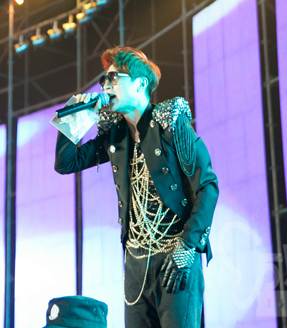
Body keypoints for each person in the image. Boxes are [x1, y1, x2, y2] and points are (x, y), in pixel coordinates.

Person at [55, 46, 219, 328]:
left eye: (113, 78)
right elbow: (66, 163)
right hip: (135, 262)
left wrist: (187, 246)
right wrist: (76, 116)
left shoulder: (170, 123)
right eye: (104, 80)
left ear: (140, 84)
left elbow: (208, 186)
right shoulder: (115, 135)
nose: (106, 86)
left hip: (175, 255)